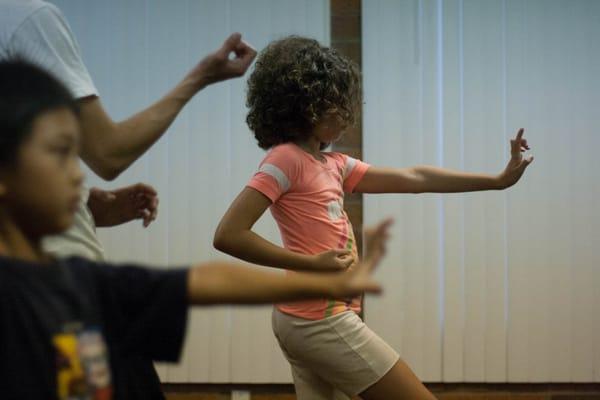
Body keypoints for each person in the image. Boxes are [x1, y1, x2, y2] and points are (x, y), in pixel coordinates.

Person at [0, 59, 391, 400]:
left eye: (75, 155)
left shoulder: (82, 281)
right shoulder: (17, 300)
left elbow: (206, 281)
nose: (76, 175)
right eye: (59, 152)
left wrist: (324, 283)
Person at [213, 36, 534, 400]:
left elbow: (415, 178)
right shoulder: (285, 160)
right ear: (309, 106)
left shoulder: (332, 165)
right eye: (336, 104)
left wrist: (496, 181)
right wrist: (309, 263)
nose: (346, 115)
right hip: (320, 319)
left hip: (306, 317)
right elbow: (229, 234)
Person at [0, 0, 256, 260]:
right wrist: (201, 76)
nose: (78, 176)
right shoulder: (23, 17)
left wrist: (85, 206)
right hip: (52, 279)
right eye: (61, 151)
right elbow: (108, 153)